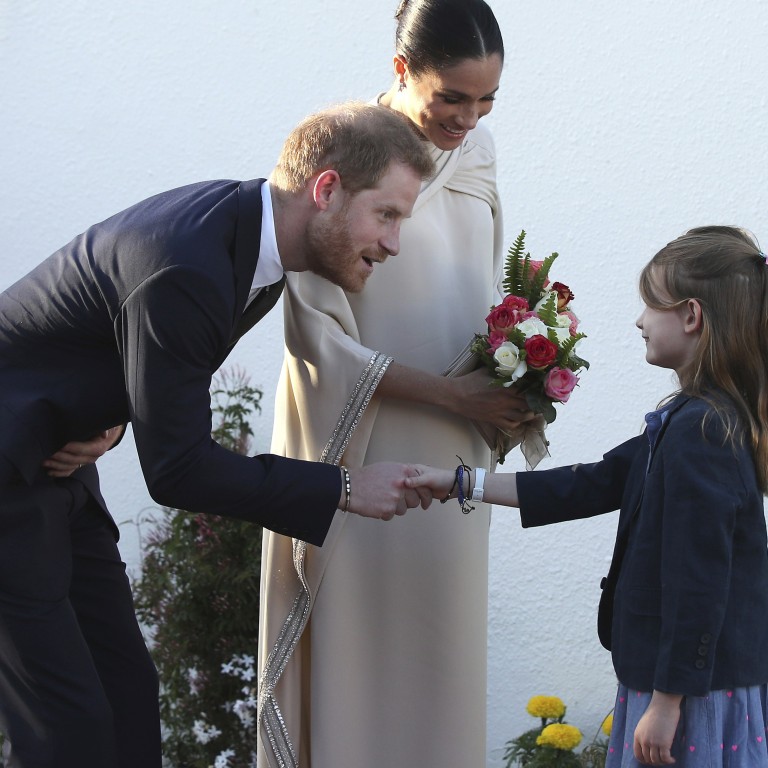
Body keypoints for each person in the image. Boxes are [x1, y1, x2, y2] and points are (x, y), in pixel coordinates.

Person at [0, 101, 435, 768]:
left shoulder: (251, 246)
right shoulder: (190, 262)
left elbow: (127, 361)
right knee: (71, 731)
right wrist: (345, 486)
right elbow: (177, 469)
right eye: (388, 214)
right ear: (326, 190)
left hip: (57, 466)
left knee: (128, 697)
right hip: (10, 480)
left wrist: (108, 424)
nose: (395, 242)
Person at [257, 2, 527, 766]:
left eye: (485, 103)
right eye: (452, 98)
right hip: (359, 447)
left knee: (441, 652)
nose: (467, 120)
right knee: (357, 649)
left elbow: (484, 293)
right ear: (404, 72)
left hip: (456, 455)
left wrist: (519, 374)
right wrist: (450, 395)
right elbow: (316, 337)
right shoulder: (333, 154)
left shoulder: (478, 157)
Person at [407, 226, 768, 766]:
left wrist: (668, 702)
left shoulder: (702, 432)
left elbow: (700, 577)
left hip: (692, 692)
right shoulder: (693, 420)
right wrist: (460, 483)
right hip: (686, 682)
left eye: (650, 305)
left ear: (692, 316)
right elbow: (590, 483)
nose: (639, 321)